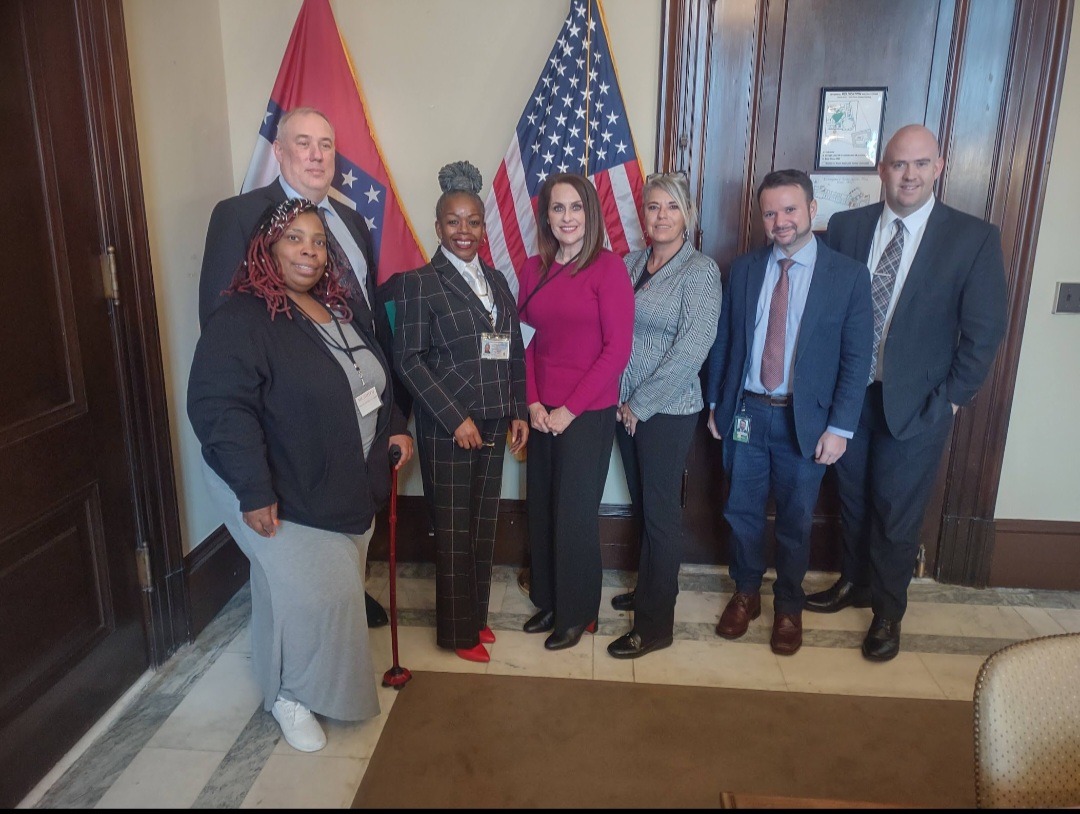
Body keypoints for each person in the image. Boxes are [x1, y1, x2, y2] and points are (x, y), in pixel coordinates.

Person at [187, 199, 413, 751]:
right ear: (267, 248)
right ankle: (290, 695)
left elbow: (373, 377)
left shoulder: (334, 309)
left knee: (294, 592)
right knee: (321, 597)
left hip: (343, 482)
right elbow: (221, 409)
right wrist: (254, 489)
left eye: (317, 241)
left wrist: (396, 427)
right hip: (283, 486)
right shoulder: (241, 317)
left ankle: (291, 678)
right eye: (294, 238)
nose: (309, 250)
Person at [808, 125, 1008, 661]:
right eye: (899, 164)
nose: (910, 174)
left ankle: (888, 612)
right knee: (850, 500)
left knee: (897, 511)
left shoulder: (972, 238)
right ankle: (854, 581)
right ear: (882, 169)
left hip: (917, 404)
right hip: (850, 397)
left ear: (938, 167)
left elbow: (985, 330)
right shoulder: (847, 227)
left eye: (921, 164)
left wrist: (951, 398)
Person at [198, 106, 393, 629]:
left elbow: (365, 319)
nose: (315, 154)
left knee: (344, 554)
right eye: (302, 143)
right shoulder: (240, 215)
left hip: (354, 407)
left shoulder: (350, 220)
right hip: (290, 429)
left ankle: (347, 596)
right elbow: (224, 338)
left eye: (326, 145)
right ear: (279, 152)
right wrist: (254, 475)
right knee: (298, 578)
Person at [705, 170, 872, 656]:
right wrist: (717, 401)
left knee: (797, 519)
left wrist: (840, 428)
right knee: (741, 513)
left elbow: (857, 358)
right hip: (746, 414)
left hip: (808, 422)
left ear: (812, 209)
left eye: (790, 209)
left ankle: (789, 606)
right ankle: (746, 593)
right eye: (771, 212)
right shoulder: (744, 269)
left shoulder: (847, 276)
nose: (781, 221)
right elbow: (726, 340)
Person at [392, 161, 528, 663]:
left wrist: (518, 409)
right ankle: (456, 633)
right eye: (454, 221)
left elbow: (511, 347)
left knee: (481, 524)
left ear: (483, 226)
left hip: (494, 419)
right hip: (448, 428)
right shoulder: (419, 283)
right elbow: (408, 360)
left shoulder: (495, 280)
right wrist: (454, 418)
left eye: (473, 221)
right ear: (438, 227)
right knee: (452, 528)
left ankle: (476, 616)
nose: (464, 230)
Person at [606, 172, 721, 659]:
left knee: (660, 517)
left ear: (687, 214)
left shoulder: (700, 271)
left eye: (671, 207)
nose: (661, 216)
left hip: (666, 411)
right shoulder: (630, 263)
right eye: (653, 207)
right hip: (624, 409)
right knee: (644, 507)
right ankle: (652, 587)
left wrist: (640, 404)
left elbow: (691, 349)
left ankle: (654, 626)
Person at [518, 173, 634, 650]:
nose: (567, 218)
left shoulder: (608, 269)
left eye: (575, 208)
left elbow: (617, 349)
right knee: (543, 506)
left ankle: (578, 610)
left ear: (590, 213)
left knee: (573, 512)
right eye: (557, 208)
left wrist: (568, 409)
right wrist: (532, 402)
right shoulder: (531, 269)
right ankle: (547, 599)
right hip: (542, 410)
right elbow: (522, 343)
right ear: (546, 216)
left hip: (587, 411)